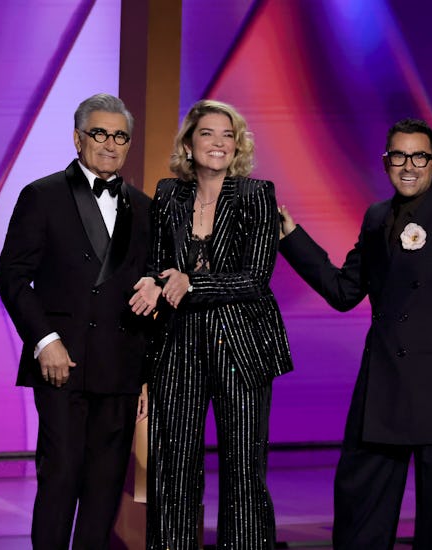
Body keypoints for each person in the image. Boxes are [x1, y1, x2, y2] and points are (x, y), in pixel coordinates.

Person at [278, 118, 432, 549]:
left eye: (419, 156)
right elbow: (343, 291)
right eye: (398, 156)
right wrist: (292, 237)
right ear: (387, 162)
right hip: (382, 390)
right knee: (358, 509)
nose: (409, 165)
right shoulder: (375, 218)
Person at [129, 99, 293, 549]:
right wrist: (154, 278)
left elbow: (255, 277)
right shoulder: (167, 194)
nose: (218, 143)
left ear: (237, 145)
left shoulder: (257, 194)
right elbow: (158, 265)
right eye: (207, 133)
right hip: (178, 346)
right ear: (188, 142)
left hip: (242, 346)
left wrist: (190, 284)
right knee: (173, 468)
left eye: (227, 135)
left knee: (243, 470)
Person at [0, 93, 150, 549]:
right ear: (78, 138)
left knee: (105, 489)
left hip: (120, 367)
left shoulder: (144, 208)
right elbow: (12, 276)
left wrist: (146, 373)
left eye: (119, 136)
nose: (109, 144)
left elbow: (149, 290)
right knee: (61, 476)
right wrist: (45, 339)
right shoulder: (42, 195)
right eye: (99, 133)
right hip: (61, 364)